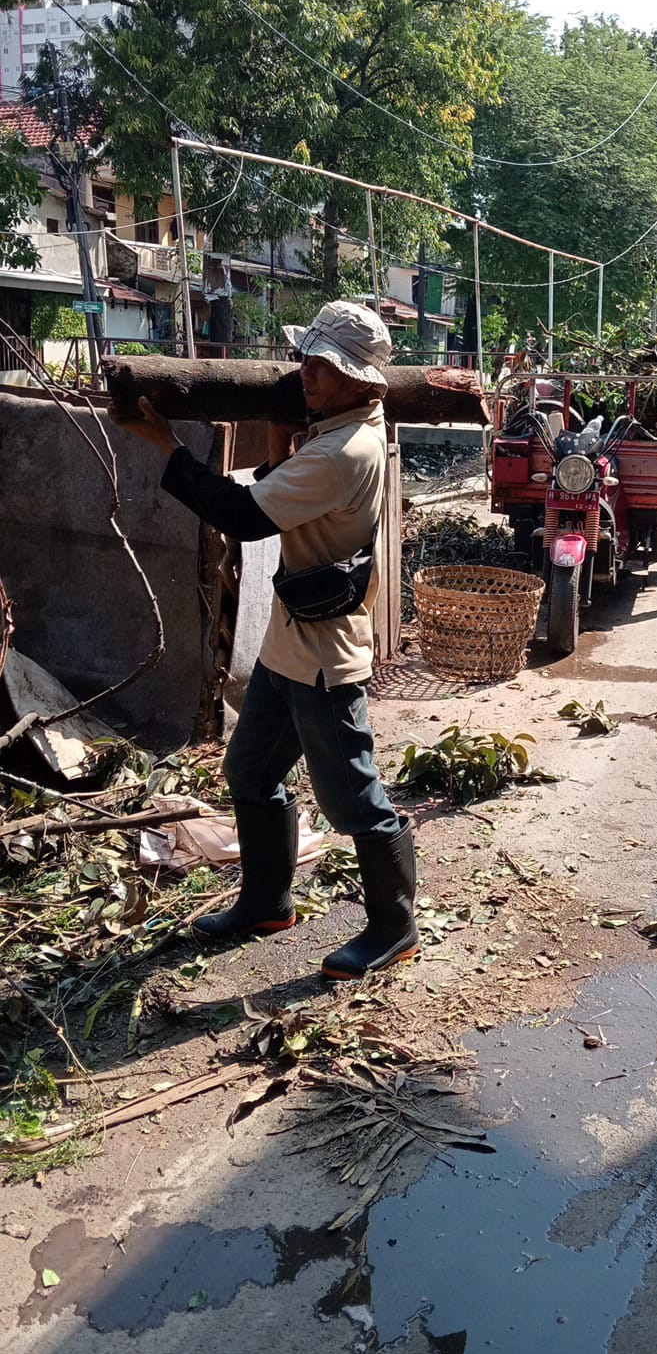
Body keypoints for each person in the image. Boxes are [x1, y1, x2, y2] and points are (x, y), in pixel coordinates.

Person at [112, 301, 418, 981]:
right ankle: (266, 902)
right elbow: (283, 489)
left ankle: (395, 925)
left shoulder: (344, 450)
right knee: (249, 772)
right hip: (288, 644)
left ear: (362, 381)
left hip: (324, 659)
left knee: (353, 800)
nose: (306, 373)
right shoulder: (340, 426)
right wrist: (282, 435)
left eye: (323, 366)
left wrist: (165, 442)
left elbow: (244, 516)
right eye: (305, 360)